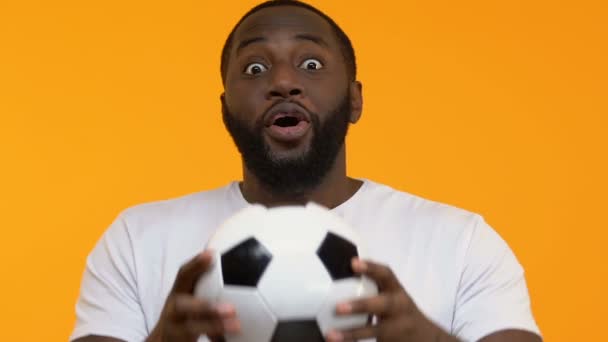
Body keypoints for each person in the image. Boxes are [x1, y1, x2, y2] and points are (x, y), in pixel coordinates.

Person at [70, 1, 542, 341]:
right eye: (254, 68)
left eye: (311, 63)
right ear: (224, 108)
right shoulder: (137, 239)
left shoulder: (460, 243)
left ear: (355, 99)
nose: (283, 82)